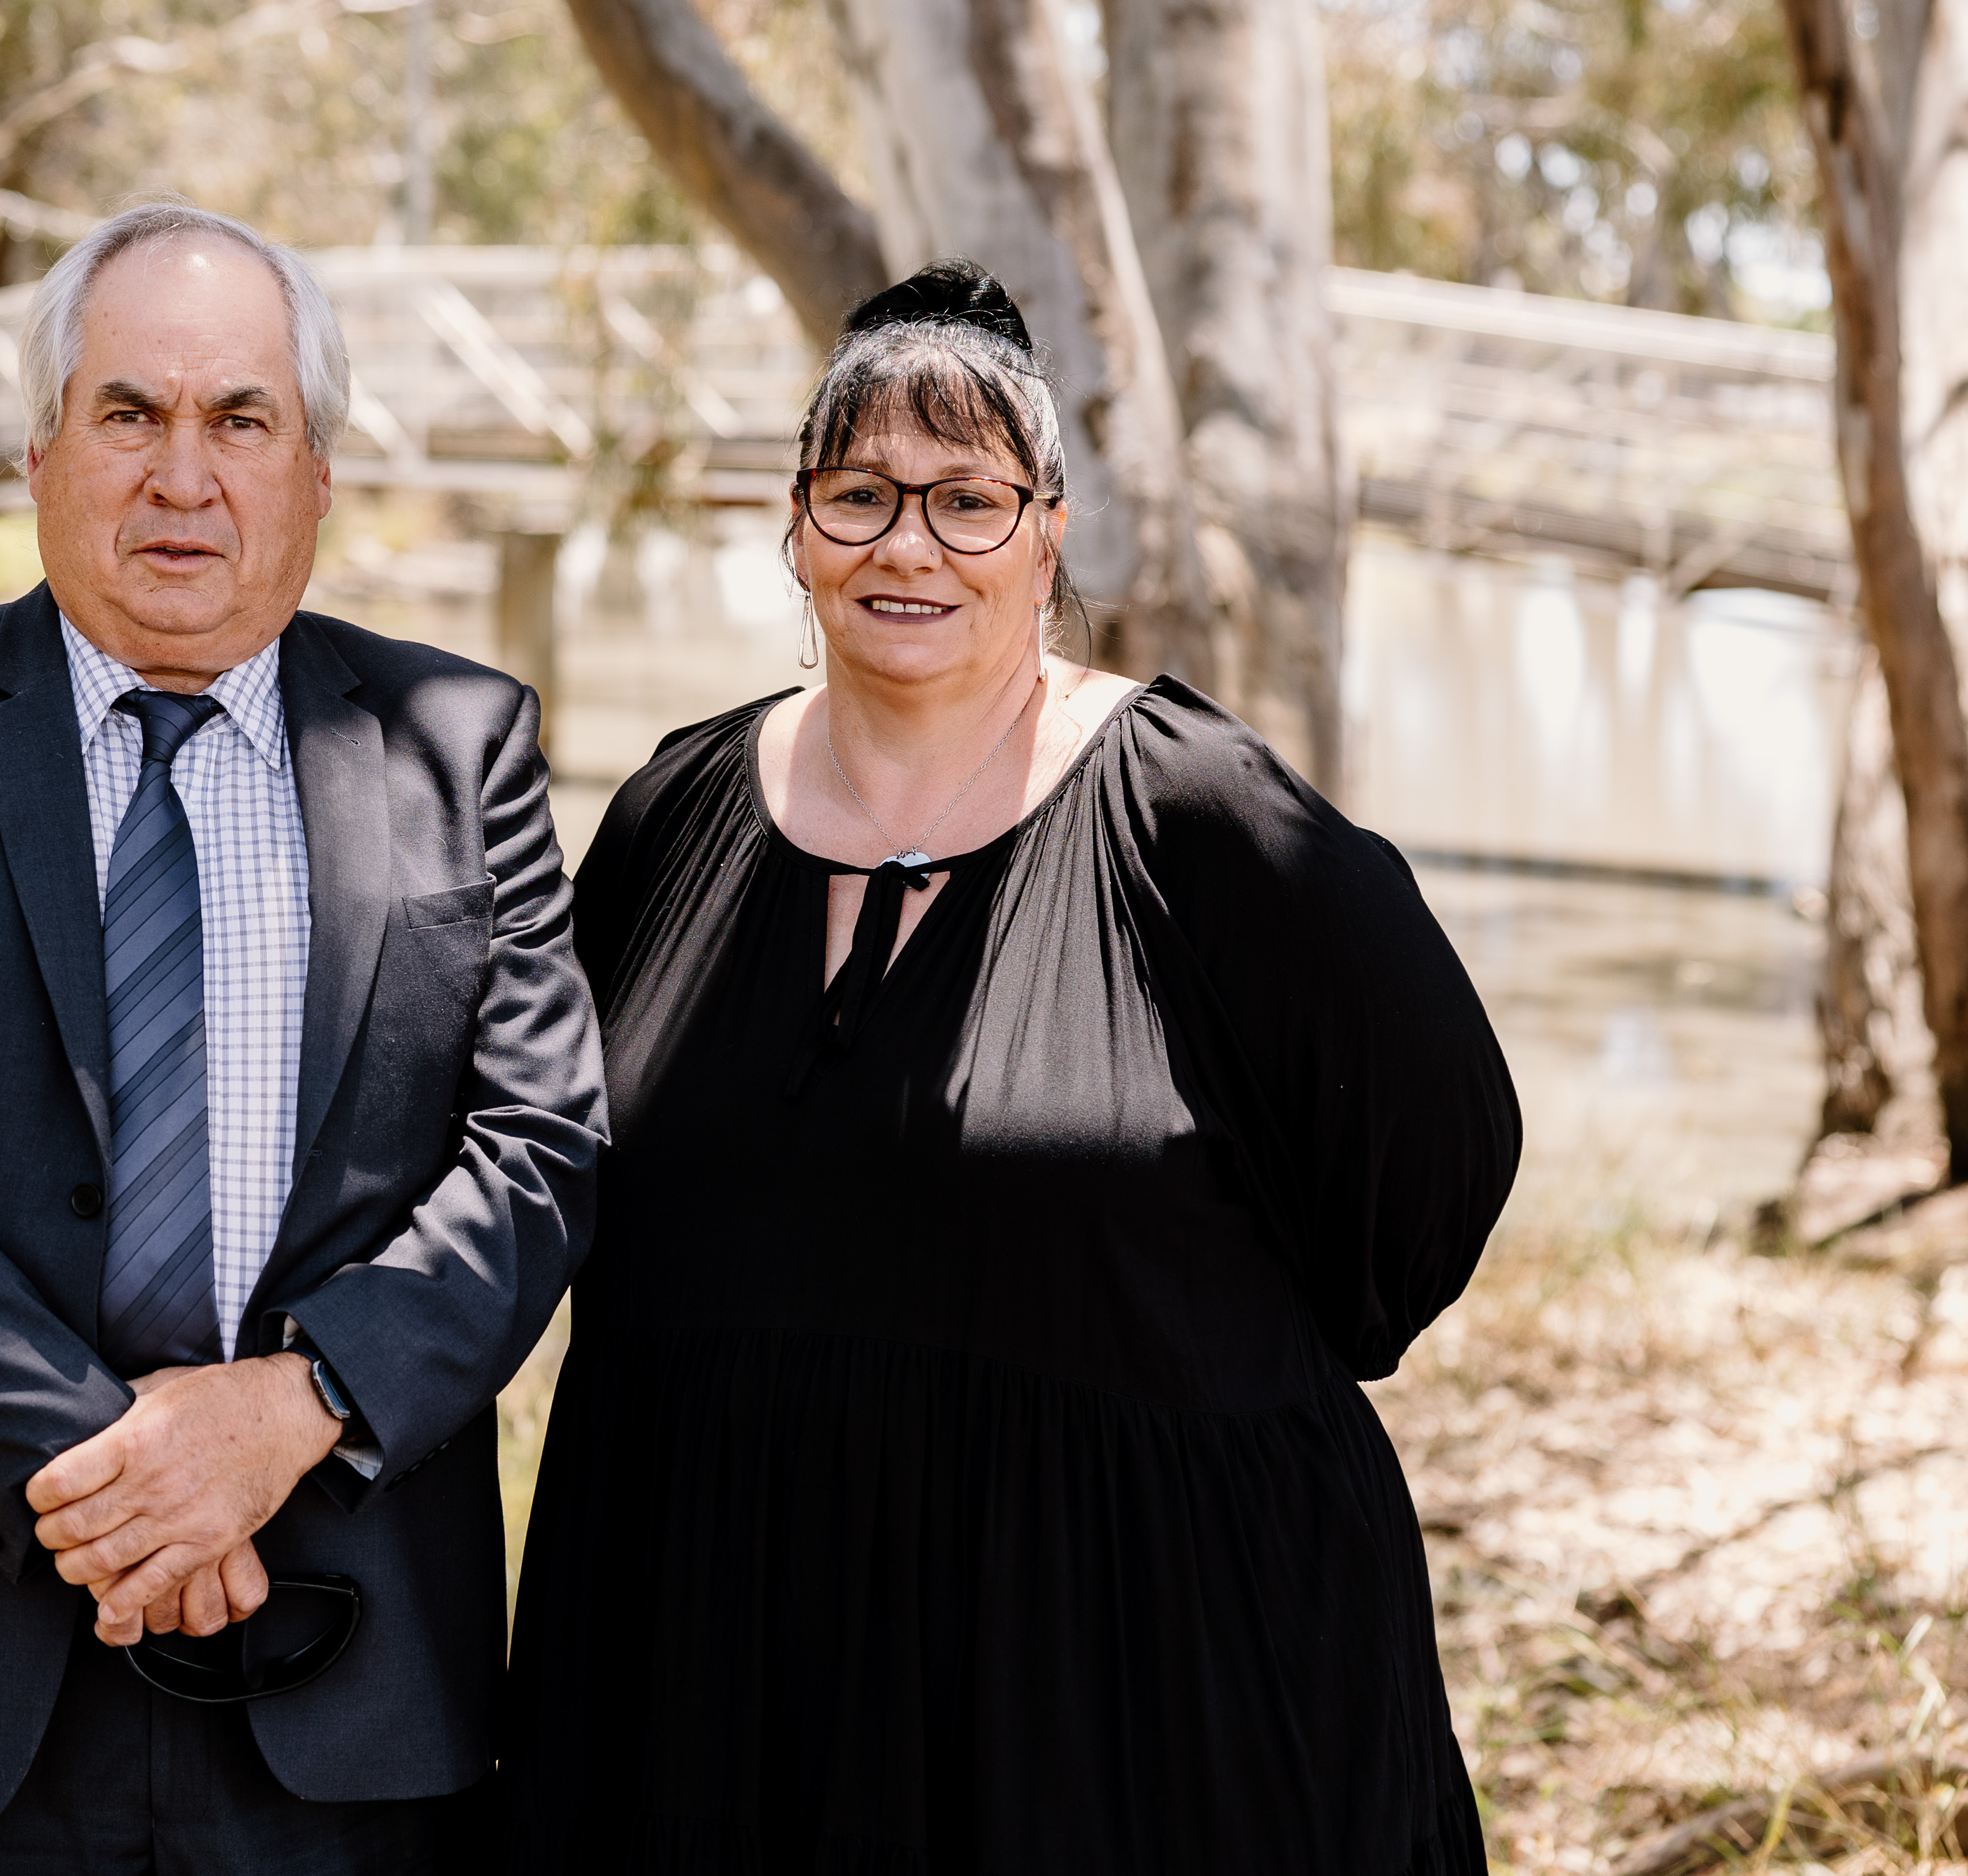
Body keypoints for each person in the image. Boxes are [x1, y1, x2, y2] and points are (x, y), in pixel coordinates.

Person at [499, 259, 1520, 1874]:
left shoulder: (1205, 818)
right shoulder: (667, 814)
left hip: (1125, 1685)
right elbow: (544, 1169)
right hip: (715, 1668)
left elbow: (1431, 1161)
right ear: (793, 526)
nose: (907, 543)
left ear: (1048, 532)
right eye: (858, 495)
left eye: (966, 499)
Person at [0, 201, 605, 1873]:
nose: (182, 475)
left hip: (345, 1665)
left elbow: (537, 1154)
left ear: (317, 470)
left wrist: (300, 1401)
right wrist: (123, 1480)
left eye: (239, 420)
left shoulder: (461, 745)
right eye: (129, 414)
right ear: (39, 454)